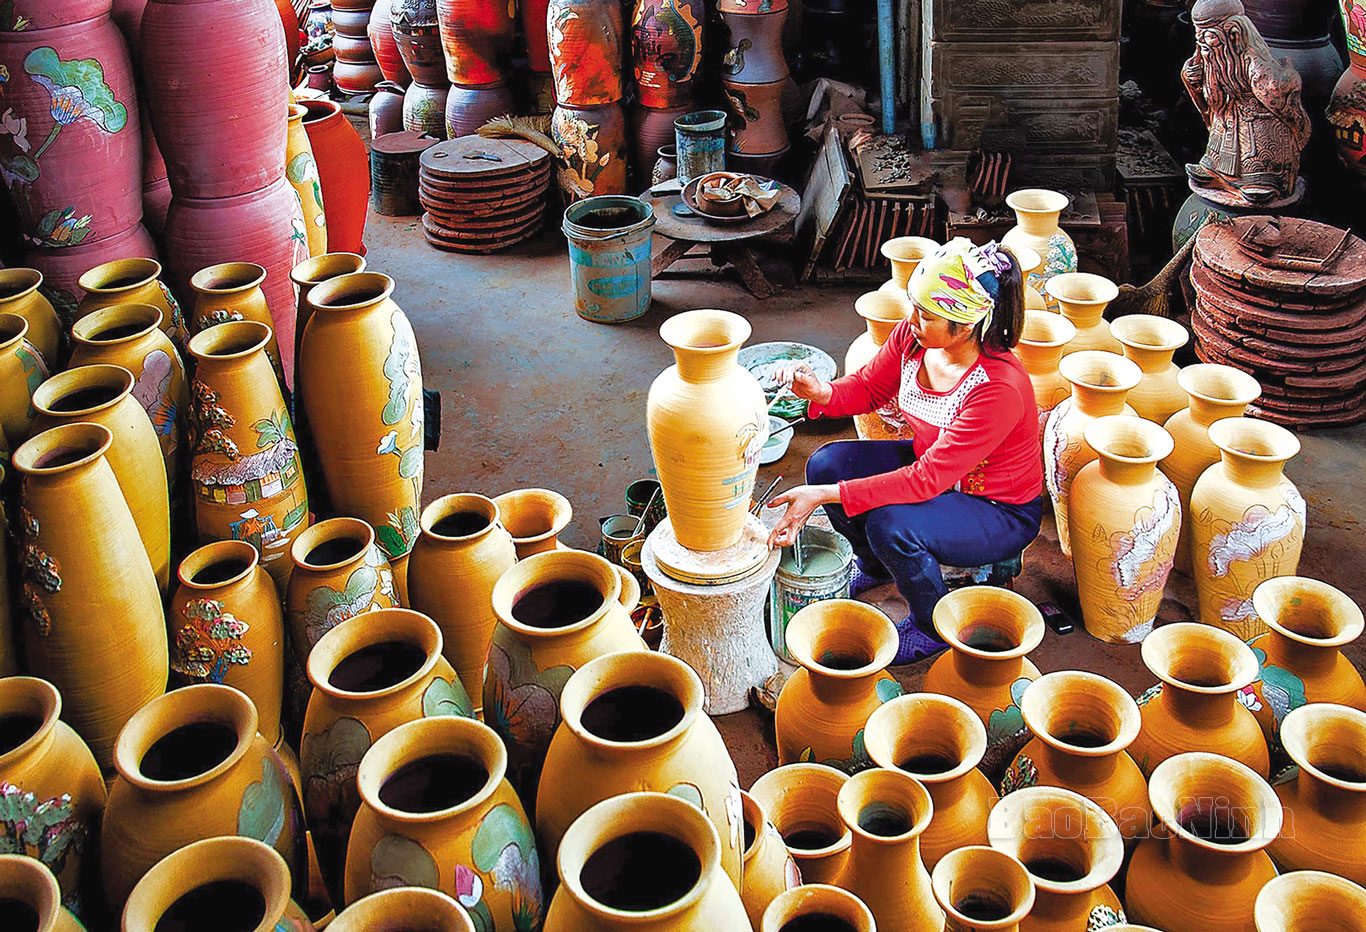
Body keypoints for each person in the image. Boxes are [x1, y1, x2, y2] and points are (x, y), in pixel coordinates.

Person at [766, 237, 1044, 663]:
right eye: (913, 305)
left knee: (890, 523)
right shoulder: (915, 338)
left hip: (996, 508)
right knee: (827, 464)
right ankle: (875, 565)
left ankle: (930, 623)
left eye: (926, 314)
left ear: (965, 324)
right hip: (932, 468)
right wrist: (819, 391)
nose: (911, 319)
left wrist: (823, 499)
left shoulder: (998, 388)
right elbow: (867, 387)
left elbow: (927, 479)